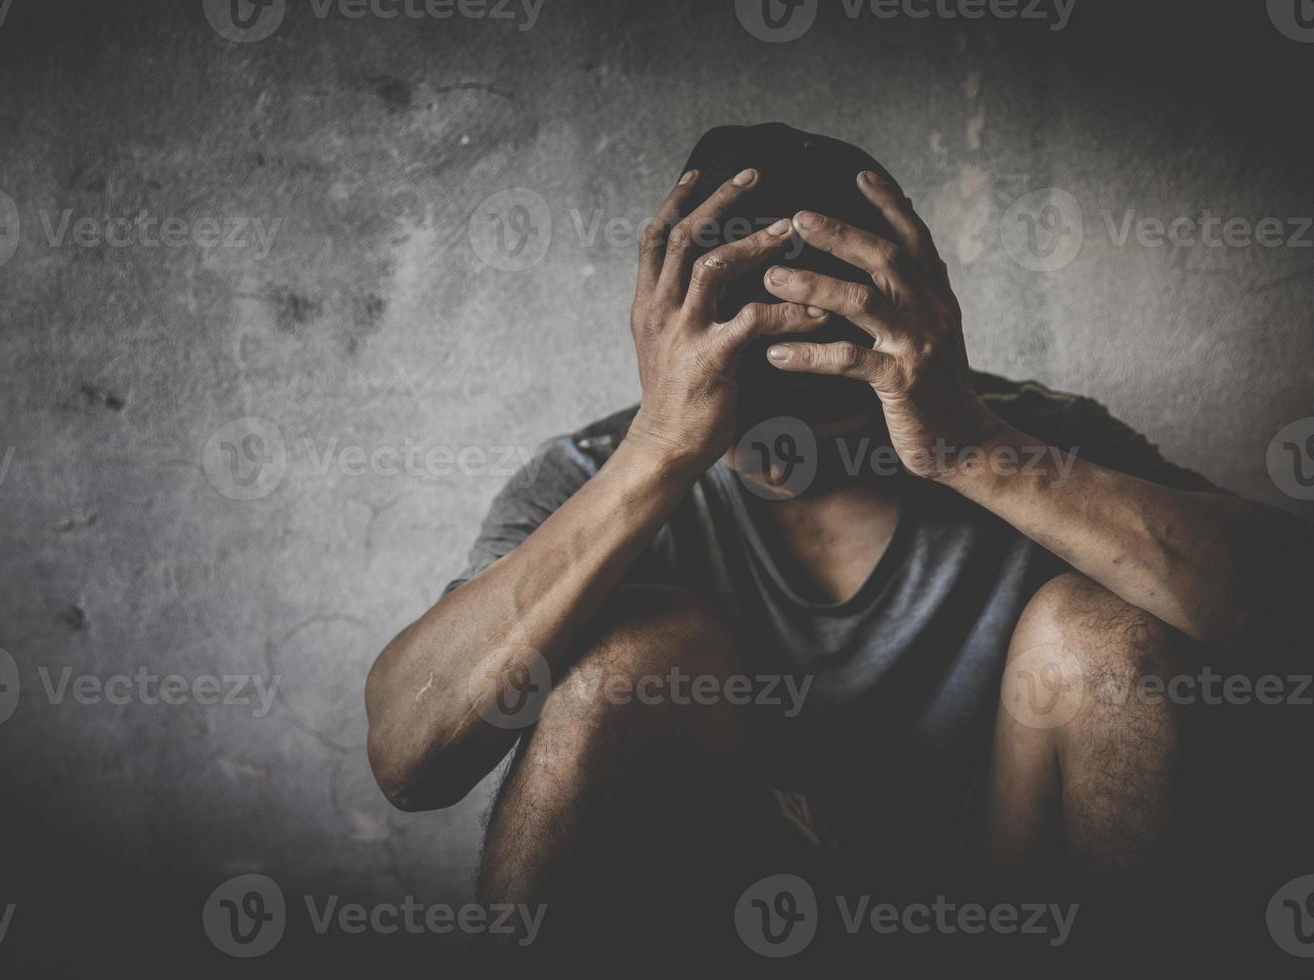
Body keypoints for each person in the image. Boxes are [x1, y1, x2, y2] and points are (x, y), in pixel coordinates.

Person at [363, 122, 1311, 954]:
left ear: (916, 327)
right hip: (716, 918)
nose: (781, 451)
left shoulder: (1030, 443)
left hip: (1000, 903)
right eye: (748, 397)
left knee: (1105, 641)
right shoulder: (593, 476)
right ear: (664, 338)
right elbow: (410, 759)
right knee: (632, 659)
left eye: (823, 394)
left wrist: (971, 449)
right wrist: (662, 447)